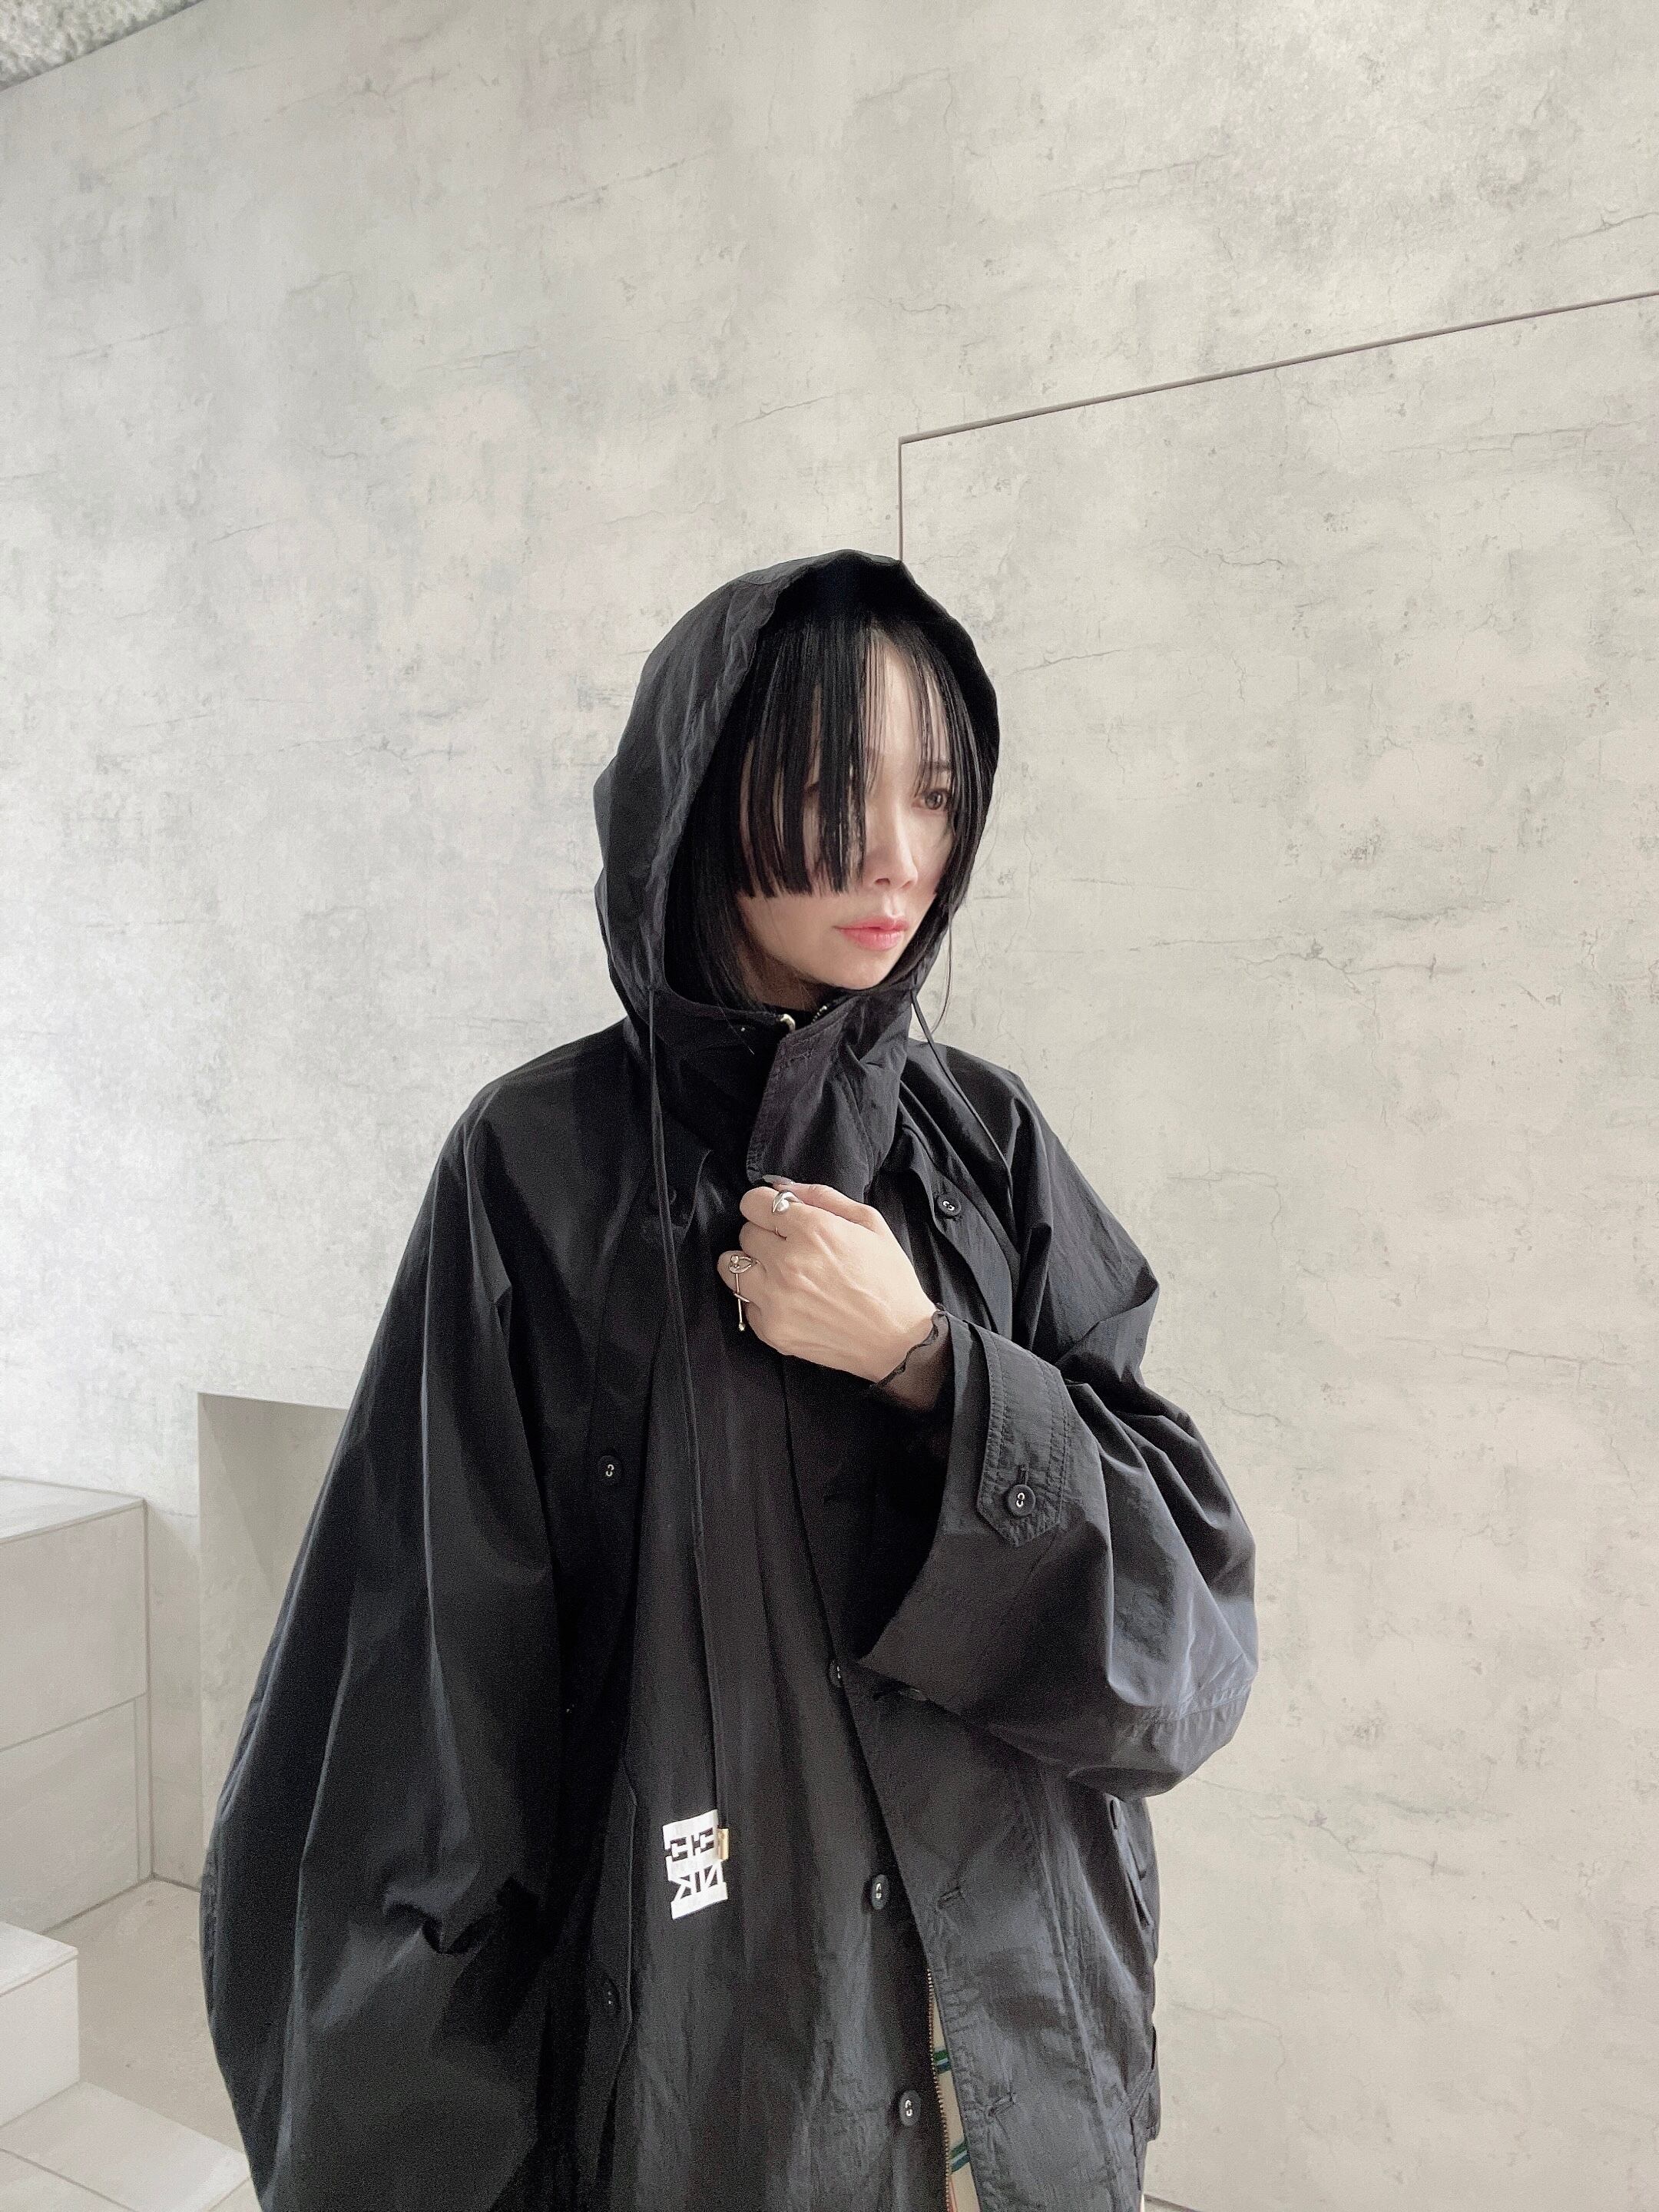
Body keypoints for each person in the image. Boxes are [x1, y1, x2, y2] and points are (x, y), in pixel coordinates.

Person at [199, 546, 1257, 2212]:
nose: (898, 855)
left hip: (1024, 2067)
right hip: (724, 2096)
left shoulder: (986, 1143)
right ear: (703, 793)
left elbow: (1180, 1637)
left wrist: (932, 1366)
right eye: (836, 790)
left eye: (935, 794)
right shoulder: (538, 1169)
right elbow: (429, 1725)